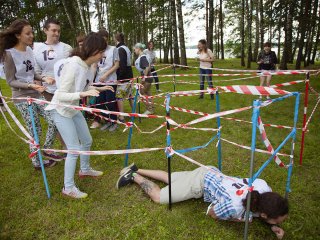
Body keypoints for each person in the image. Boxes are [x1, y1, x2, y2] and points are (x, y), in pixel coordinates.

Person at [117, 164, 288, 239]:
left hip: (211, 171)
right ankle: (132, 175)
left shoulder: (263, 186)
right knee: (159, 197)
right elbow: (213, 213)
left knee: (171, 179)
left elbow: (262, 211)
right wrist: (241, 219)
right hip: (200, 184)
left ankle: (136, 168)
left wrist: (272, 225)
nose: (281, 221)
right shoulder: (236, 208)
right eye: (279, 219)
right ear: (263, 214)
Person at [45, 33, 114, 199]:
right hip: (60, 109)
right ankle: (68, 188)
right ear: (94, 50)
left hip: (73, 108)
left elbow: (86, 84)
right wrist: (84, 93)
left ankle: (84, 169)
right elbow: (61, 94)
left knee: (87, 140)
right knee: (73, 149)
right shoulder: (73, 65)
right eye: (102, 51)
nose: (103, 55)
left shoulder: (88, 66)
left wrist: (101, 88)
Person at [0, 19, 60, 170]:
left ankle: (45, 150)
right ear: (18, 35)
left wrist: (44, 78)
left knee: (54, 121)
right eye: (28, 33)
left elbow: (32, 73)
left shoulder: (29, 51)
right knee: (36, 129)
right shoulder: (9, 54)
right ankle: (37, 162)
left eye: (32, 32)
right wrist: (29, 85)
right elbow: (11, 81)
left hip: (36, 94)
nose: (32, 36)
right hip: (21, 98)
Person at [33, 18, 72, 151]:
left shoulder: (66, 48)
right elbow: (36, 71)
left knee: (68, 116)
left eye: (58, 31)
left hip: (65, 90)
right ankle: (66, 146)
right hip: (48, 92)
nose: (56, 33)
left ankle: (72, 141)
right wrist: (39, 89)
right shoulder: (37, 49)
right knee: (57, 121)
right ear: (45, 30)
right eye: (53, 30)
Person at [90, 29, 119, 132]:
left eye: (106, 40)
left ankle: (114, 122)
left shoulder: (113, 49)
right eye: (102, 40)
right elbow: (94, 66)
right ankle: (107, 121)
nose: (104, 43)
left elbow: (116, 65)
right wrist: (91, 79)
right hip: (99, 82)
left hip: (111, 81)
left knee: (110, 102)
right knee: (101, 102)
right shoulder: (97, 50)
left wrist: (106, 75)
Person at [114, 32, 133, 122]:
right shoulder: (126, 48)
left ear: (116, 39)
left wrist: (119, 78)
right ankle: (134, 112)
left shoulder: (120, 49)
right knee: (130, 95)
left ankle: (121, 116)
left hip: (124, 76)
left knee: (119, 95)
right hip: (129, 74)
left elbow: (122, 65)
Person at [134, 43, 154, 115]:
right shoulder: (143, 56)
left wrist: (144, 78)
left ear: (138, 49)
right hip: (149, 77)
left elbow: (147, 67)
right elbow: (148, 66)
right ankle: (151, 108)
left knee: (142, 92)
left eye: (135, 49)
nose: (134, 51)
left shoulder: (142, 57)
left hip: (147, 78)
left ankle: (149, 109)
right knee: (147, 92)